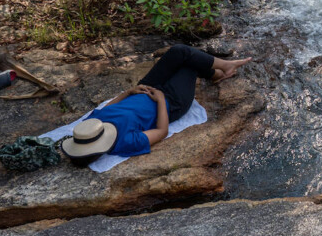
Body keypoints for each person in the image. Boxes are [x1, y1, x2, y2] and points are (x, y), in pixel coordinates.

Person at [60, 44, 251, 162]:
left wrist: (128, 92)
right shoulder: (125, 143)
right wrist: (160, 100)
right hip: (170, 103)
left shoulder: (92, 126)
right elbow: (161, 131)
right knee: (188, 65)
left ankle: (219, 72)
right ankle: (222, 69)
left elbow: (107, 108)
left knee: (178, 52)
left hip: (144, 88)